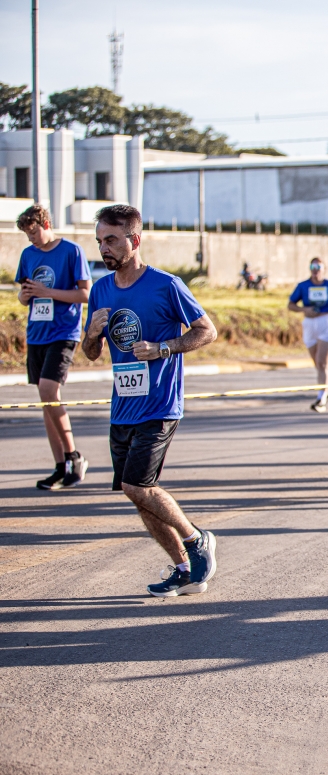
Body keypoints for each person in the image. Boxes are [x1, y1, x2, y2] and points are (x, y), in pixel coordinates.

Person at [81, 204, 219, 598]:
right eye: (99, 241)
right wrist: (91, 334)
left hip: (160, 404)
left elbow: (206, 331)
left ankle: (196, 540)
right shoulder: (101, 290)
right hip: (122, 406)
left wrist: (163, 348)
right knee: (140, 494)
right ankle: (184, 569)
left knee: (135, 485)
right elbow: (91, 353)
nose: (103, 248)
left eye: (111, 240)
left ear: (134, 240)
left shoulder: (166, 284)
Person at [15, 204, 92, 490]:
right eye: (27, 234)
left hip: (63, 332)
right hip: (37, 333)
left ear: (46, 224)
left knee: (49, 390)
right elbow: (23, 297)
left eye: (34, 232)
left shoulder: (72, 251)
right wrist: (27, 295)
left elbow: (86, 293)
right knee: (46, 399)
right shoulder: (28, 255)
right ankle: (61, 466)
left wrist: (47, 292)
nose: (31, 238)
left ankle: (74, 456)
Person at [287, 257, 328, 412]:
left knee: (323, 363)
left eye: (318, 267)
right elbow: (291, 304)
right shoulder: (303, 286)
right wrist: (304, 310)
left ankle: (321, 398)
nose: (315, 270)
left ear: (324, 269)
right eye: (312, 267)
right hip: (310, 324)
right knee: (319, 364)